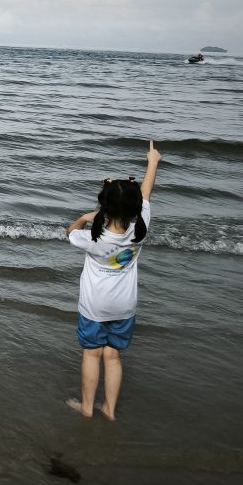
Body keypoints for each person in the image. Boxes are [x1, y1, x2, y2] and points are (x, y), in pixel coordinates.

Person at [66, 141, 162, 421]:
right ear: (135, 209)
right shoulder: (140, 229)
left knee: (92, 354)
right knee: (113, 357)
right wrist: (153, 162)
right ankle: (109, 409)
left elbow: (70, 232)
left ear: (104, 207)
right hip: (124, 307)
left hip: (94, 307)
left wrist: (84, 218)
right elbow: (146, 193)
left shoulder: (92, 238)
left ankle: (87, 408)